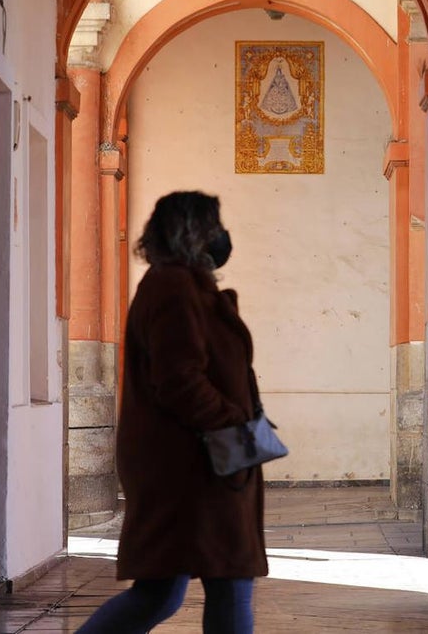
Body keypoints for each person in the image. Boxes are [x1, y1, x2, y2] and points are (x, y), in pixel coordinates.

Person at [77, 191, 268, 634]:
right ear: (194, 231)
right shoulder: (174, 286)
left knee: (166, 590)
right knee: (224, 578)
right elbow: (179, 379)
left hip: (200, 459)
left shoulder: (182, 284)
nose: (222, 236)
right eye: (214, 226)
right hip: (193, 463)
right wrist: (232, 422)